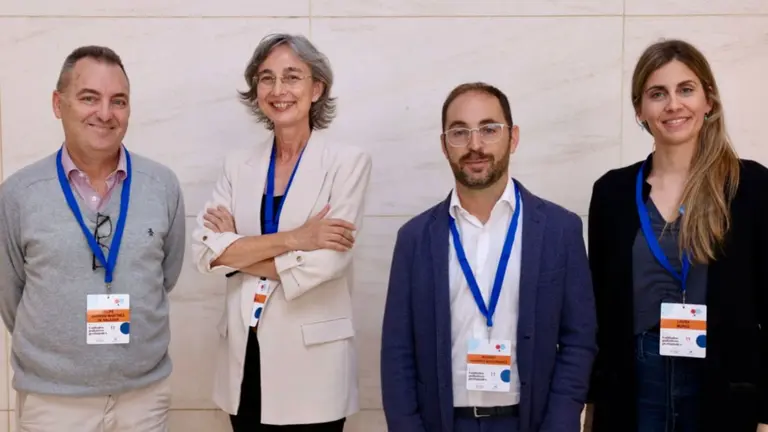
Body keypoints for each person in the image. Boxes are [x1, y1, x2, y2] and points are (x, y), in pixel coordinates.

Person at [380, 82, 597, 432]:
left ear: (513, 138)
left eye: (489, 129)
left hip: (530, 422)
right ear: (444, 145)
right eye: (459, 132)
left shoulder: (560, 230)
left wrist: (560, 422)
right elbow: (397, 351)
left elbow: (579, 339)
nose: (475, 145)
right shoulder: (415, 239)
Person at [191, 33, 372, 431]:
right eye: (266, 78)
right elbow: (205, 252)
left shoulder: (347, 163)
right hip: (244, 357)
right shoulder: (237, 164)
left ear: (316, 88)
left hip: (313, 367)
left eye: (292, 76)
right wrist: (297, 239)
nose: (278, 90)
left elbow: (325, 265)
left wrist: (237, 252)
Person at [0, 45, 186, 432]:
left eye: (118, 101)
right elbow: (10, 295)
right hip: (53, 403)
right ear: (58, 104)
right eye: (89, 98)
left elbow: (165, 276)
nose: (105, 113)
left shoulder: (162, 186)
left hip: (143, 399)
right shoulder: (18, 194)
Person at [586, 39, 768, 432]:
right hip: (635, 382)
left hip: (723, 383)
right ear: (640, 109)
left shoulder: (751, 186)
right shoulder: (612, 192)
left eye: (686, 89)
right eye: (657, 94)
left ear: (709, 100)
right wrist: (593, 399)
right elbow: (598, 309)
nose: (673, 105)